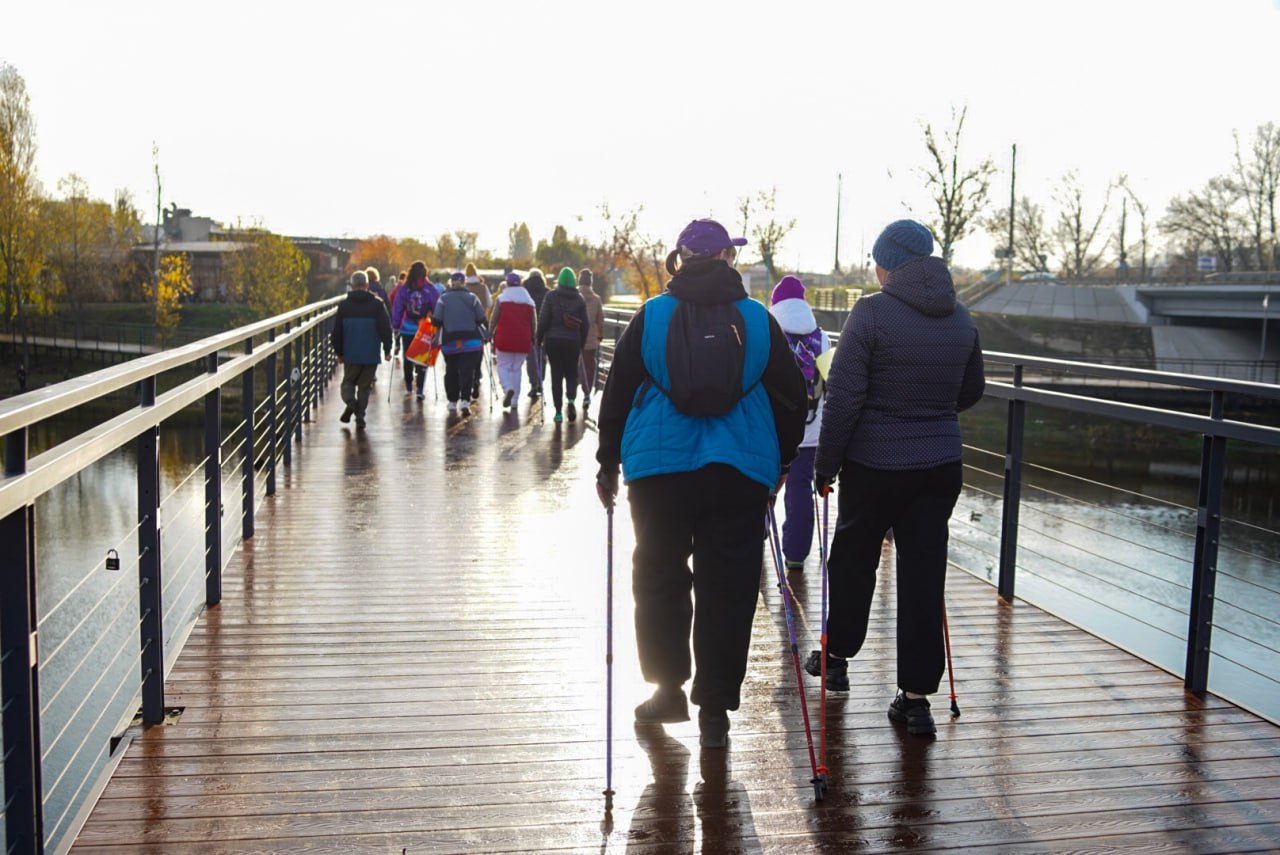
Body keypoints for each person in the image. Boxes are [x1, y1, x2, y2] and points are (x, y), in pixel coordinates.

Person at [595, 218, 806, 749]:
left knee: (660, 574)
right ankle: (714, 708)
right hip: (738, 470)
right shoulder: (759, 321)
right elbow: (790, 397)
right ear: (728, 259)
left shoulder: (652, 315)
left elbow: (618, 393)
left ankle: (668, 690)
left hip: (658, 469)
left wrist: (606, 464)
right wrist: (779, 465)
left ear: (679, 257)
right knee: (729, 585)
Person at [804, 219, 985, 738]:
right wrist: (929, 409)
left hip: (875, 464)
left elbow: (843, 399)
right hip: (939, 465)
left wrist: (826, 465)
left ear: (888, 262)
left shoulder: (872, 312)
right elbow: (971, 390)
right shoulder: (960, 316)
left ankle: (836, 658)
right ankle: (915, 698)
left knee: (854, 558)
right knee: (924, 575)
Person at [768, 275, 832, 571]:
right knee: (800, 490)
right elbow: (832, 383)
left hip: (771, 431)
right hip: (810, 433)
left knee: (761, 487)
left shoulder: (768, 331)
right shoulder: (820, 338)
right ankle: (796, 554)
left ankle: (754, 541)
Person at [330, 270, 392, 429]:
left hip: (351, 352)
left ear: (351, 286)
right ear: (367, 285)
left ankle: (351, 403)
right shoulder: (377, 304)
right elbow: (385, 328)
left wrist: (339, 352)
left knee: (348, 382)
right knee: (365, 386)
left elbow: (337, 332)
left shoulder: (344, 305)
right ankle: (360, 417)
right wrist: (387, 349)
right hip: (371, 353)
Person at [537, 267, 589, 423]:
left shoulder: (551, 296)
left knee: (556, 375)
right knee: (572, 372)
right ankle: (571, 400)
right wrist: (582, 343)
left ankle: (558, 412)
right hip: (573, 341)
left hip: (553, 341)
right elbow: (585, 324)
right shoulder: (579, 299)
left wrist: (538, 339)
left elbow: (543, 320)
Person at [433, 270, 488, 415]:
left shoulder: (443, 299)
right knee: (467, 371)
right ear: (465, 282)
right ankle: (465, 400)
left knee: (451, 370)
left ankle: (452, 401)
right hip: (471, 341)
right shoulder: (472, 298)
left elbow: (436, 320)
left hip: (450, 341)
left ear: (450, 282)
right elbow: (481, 318)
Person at [390, 261, 438, 400]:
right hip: (424, 328)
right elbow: (437, 307)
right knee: (422, 358)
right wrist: (436, 322)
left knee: (408, 356)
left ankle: (409, 385)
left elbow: (398, 307)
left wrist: (396, 325)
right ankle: (420, 389)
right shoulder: (430, 289)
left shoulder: (404, 289)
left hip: (407, 328)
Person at [489, 271, 537, 408]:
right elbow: (534, 322)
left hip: (504, 339)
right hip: (523, 340)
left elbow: (494, 319)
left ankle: (508, 388)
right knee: (517, 369)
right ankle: (515, 401)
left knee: (503, 366)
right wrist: (534, 337)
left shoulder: (501, 299)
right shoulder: (529, 301)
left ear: (507, 284)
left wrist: (489, 333)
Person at [578, 267, 605, 418]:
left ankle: (570, 394)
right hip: (590, 339)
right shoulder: (596, 299)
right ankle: (586, 393)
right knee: (589, 365)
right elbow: (600, 320)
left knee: (573, 365)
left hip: (574, 337)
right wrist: (599, 336)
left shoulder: (574, 296)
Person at [464, 262, 493, 400]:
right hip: (480, 323)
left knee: (466, 350)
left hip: (464, 325)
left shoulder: (463, 287)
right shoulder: (483, 287)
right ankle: (477, 374)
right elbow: (489, 303)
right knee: (478, 349)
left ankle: (469, 377)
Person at [523, 268, 549, 399]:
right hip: (544, 329)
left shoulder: (524, 291)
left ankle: (533, 383)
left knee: (531, 357)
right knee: (542, 356)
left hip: (528, 329)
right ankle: (540, 382)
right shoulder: (547, 292)